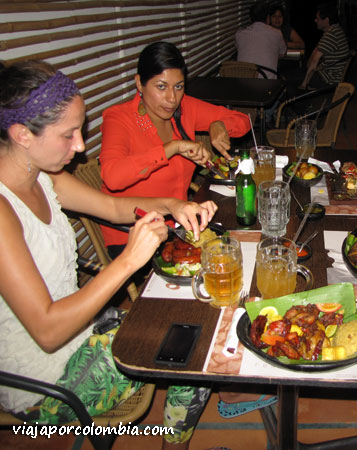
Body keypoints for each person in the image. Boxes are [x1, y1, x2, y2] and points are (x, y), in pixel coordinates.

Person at [0, 60, 220, 449]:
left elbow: (114, 207)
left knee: (192, 314)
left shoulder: (44, 175)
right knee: (191, 349)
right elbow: (48, 333)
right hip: (43, 383)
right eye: (69, 135)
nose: (80, 147)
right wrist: (128, 261)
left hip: (82, 329)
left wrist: (173, 204)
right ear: (22, 135)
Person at [100, 42, 250, 257]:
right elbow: (113, 177)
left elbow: (243, 120)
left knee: (243, 244)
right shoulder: (119, 118)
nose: (172, 98)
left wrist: (220, 124)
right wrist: (172, 148)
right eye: (161, 87)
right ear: (139, 84)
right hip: (134, 236)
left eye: (178, 86)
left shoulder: (184, 108)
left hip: (180, 226)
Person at [299, 2, 350, 90]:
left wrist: (304, 84)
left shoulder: (331, 34)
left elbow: (315, 60)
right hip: (333, 75)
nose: (315, 20)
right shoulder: (336, 29)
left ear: (326, 20)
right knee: (300, 71)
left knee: (292, 77)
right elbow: (313, 59)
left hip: (329, 80)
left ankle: (302, 102)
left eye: (317, 18)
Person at [235, 2, 287, 79]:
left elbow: (239, 49)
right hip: (267, 83)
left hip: (244, 83)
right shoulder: (277, 33)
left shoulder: (239, 34)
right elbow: (283, 53)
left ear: (250, 19)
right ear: (268, 18)